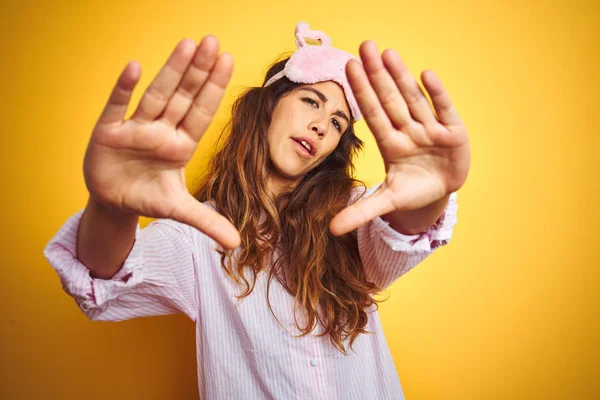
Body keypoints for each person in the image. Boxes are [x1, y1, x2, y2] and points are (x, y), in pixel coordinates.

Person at [44, 21, 469, 399]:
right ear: (269, 104)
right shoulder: (197, 238)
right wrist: (112, 207)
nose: (323, 125)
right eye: (311, 101)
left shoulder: (354, 216)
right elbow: (103, 275)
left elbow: (402, 232)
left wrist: (430, 194)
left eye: (339, 123)